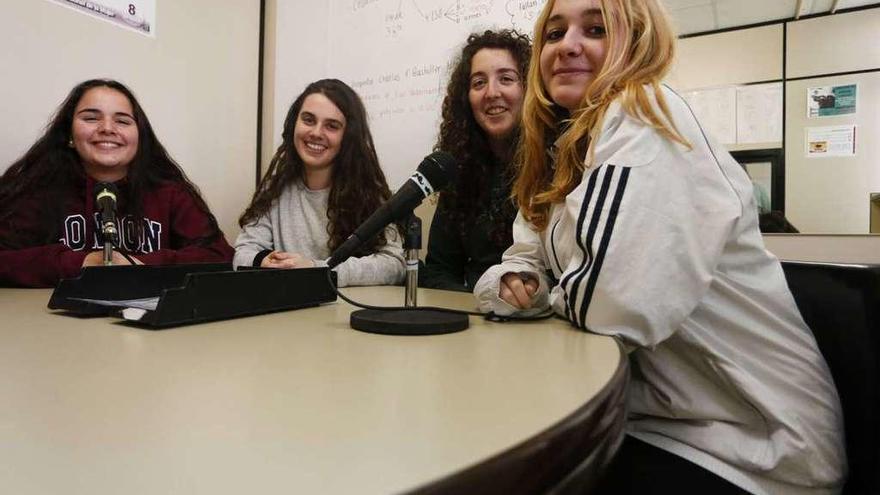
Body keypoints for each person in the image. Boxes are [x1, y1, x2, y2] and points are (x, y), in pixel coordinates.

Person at [473, 1, 846, 493]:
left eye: (596, 29)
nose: (568, 45)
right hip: (657, 421)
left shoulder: (644, 114)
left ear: (638, 41)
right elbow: (522, 260)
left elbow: (612, 304)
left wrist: (549, 293)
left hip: (756, 447)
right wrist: (515, 281)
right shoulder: (558, 152)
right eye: (555, 33)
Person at [0, 79, 233, 288]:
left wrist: (141, 263)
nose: (108, 129)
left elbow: (219, 255)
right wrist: (81, 262)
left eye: (122, 121)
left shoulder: (170, 192)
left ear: (139, 137)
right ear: (69, 134)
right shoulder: (39, 190)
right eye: (91, 118)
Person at [234, 79, 405, 287]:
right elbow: (243, 253)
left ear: (348, 136)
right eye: (308, 120)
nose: (316, 133)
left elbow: (394, 265)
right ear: (293, 124)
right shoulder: (275, 188)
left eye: (331, 126)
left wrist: (317, 269)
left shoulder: (368, 193)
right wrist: (263, 261)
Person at [420, 29, 530, 292]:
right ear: (465, 98)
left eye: (506, 78)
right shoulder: (459, 169)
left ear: (530, 87)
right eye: (479, 83)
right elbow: (439, 270)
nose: (491, 92)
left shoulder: (555, 164)